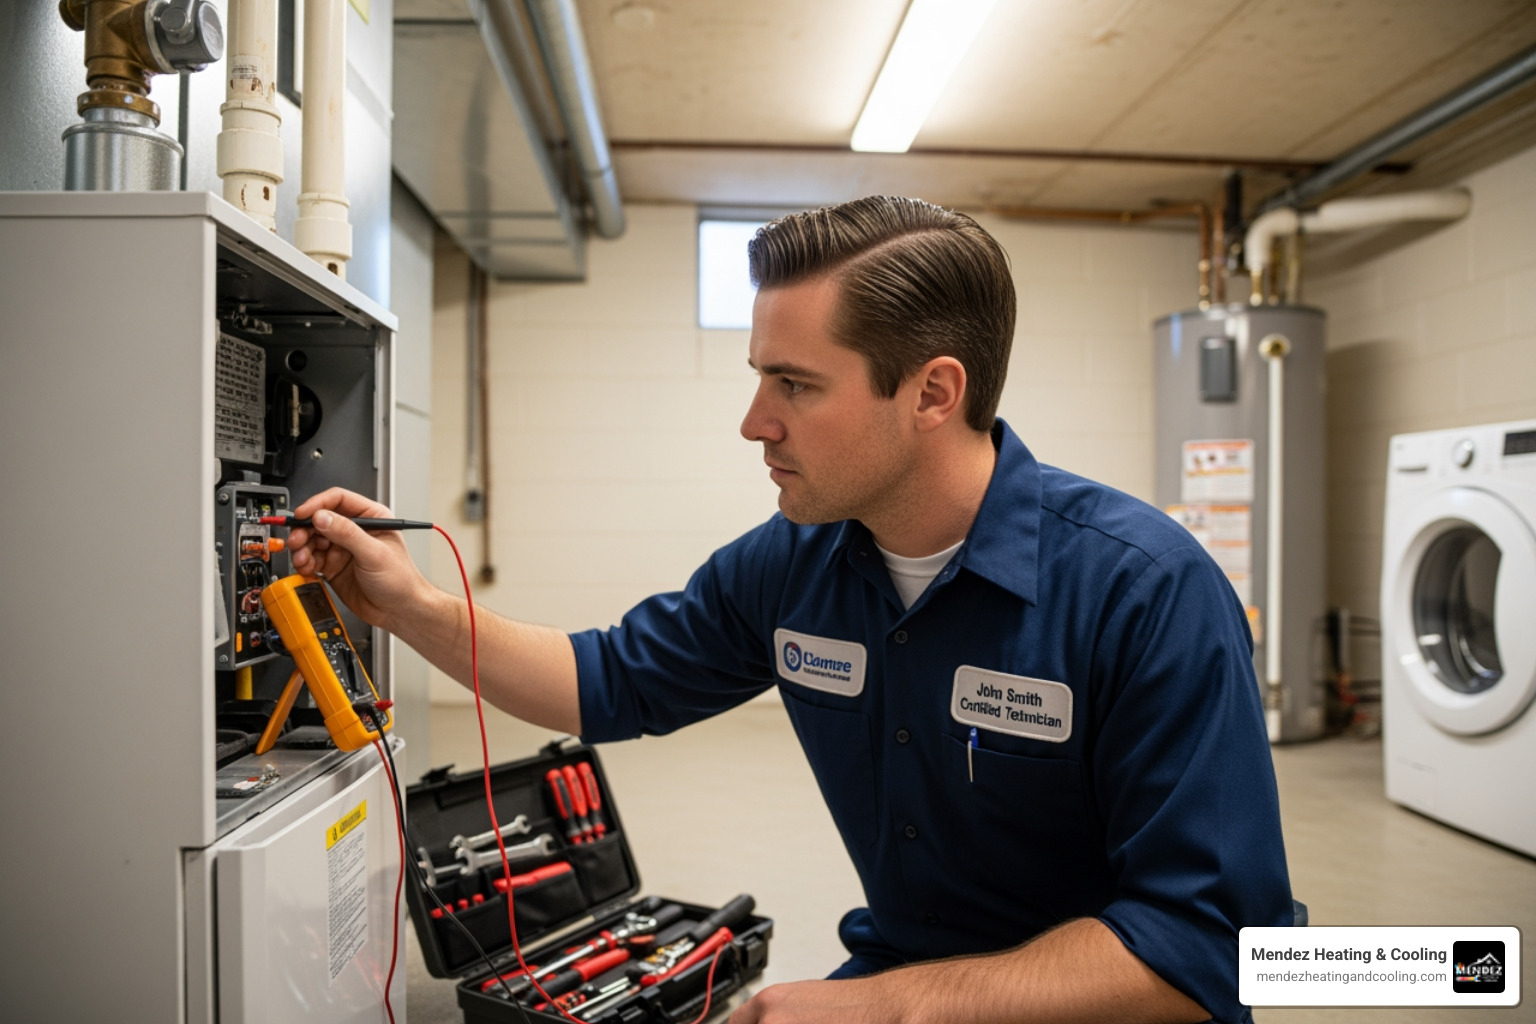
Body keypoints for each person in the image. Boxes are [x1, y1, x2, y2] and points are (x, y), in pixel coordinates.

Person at [288, 196, 1292, 1024]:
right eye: (760, 375)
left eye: (795, 384)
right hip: (910, 981)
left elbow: (1211, 949)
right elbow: (604, 680)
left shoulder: (1145, 592)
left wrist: (894, 1006)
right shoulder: (798, 563)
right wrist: (410, 602)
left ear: (934, 392)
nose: (753, 421)